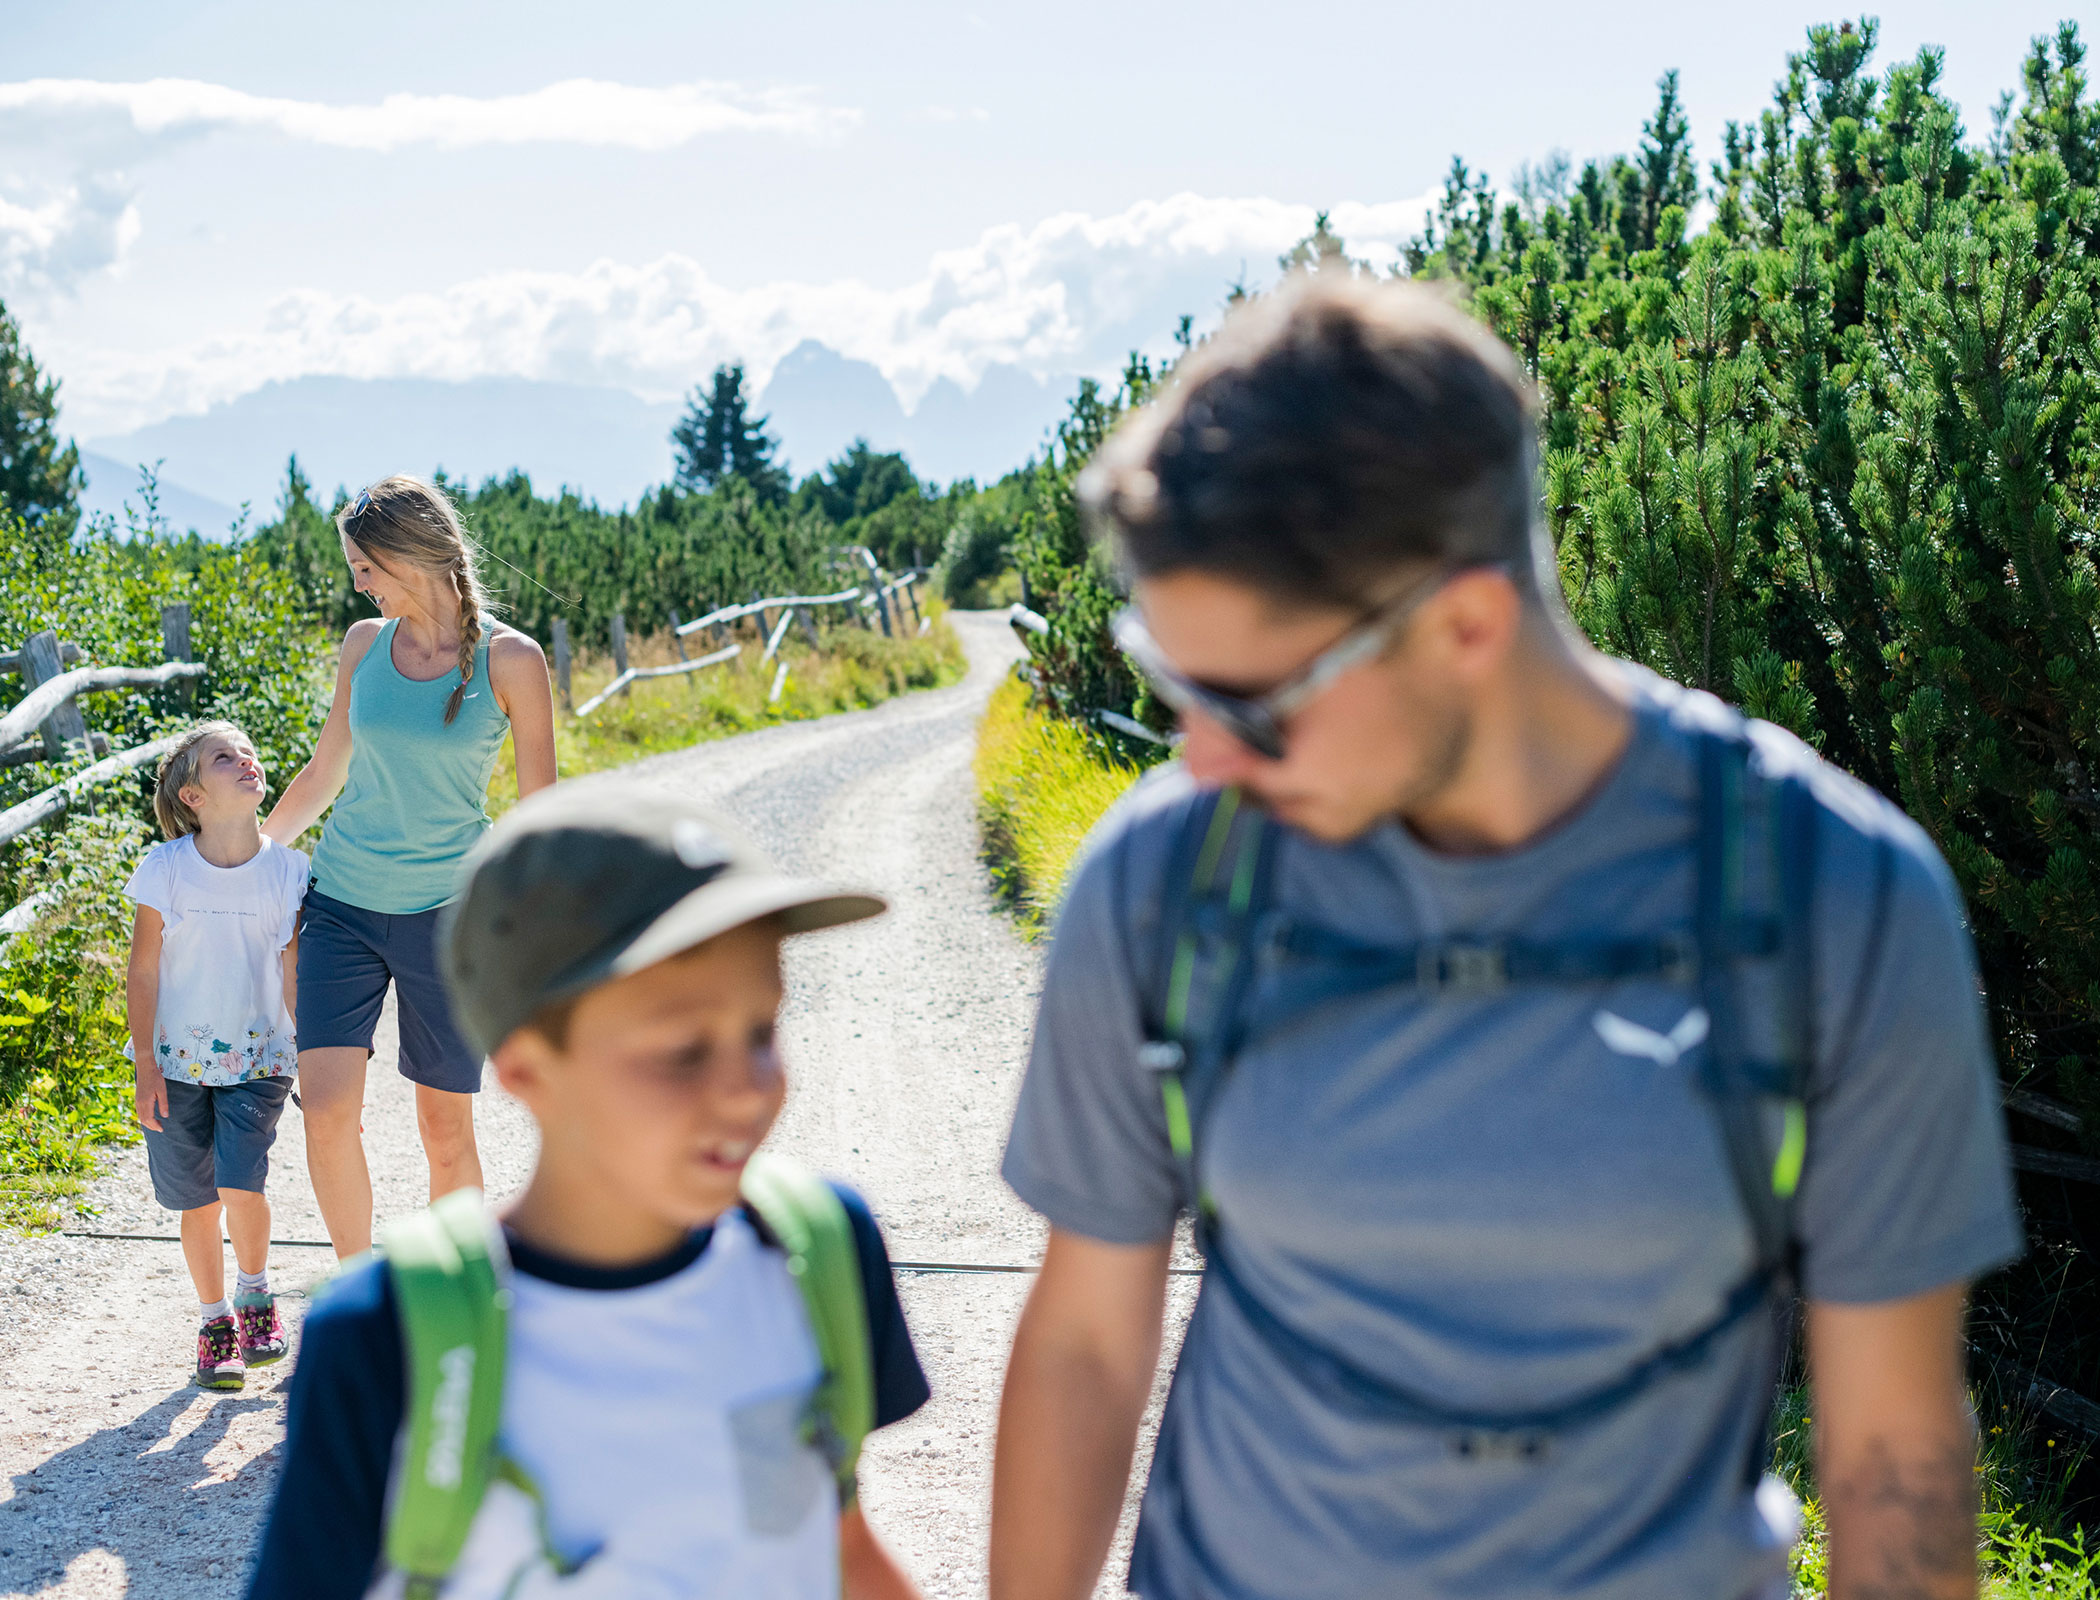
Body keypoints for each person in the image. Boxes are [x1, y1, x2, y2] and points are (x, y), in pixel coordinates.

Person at [991, 276, 2022, 1600]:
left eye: (1249, 706)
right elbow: (1084, 1341)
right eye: (1174, 687)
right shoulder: (1165, 881)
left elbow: (1894, 1453)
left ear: (1465, 626)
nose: (1197, 759)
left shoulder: (1835, 897)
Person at [247, 780, 928, 1599]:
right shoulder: (383, 1335)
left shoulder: (820, 1251)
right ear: (529, 1070)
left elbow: (843, 1551)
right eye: (682, 1050)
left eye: (762, 1030)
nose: (747, 1089)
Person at [263, 474, 557, 1258]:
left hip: (448, 919)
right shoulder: (364, 646)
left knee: (443, 1127)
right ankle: (364, 1296)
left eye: (365, 567)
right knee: (325, 1111)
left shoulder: (511, 660)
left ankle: (456, 1290)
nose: (357, 585)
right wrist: (247, 861)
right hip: (341, 905)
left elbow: (538, 815)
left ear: (411, 554)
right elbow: (325, 773)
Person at [125, 721, 307, 1390]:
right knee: (195, 1200)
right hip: (174, 1064)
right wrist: (145, 1064)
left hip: (261, 1060)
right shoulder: (164, 869)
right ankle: (215, 1322)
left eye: (249, 752)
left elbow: (292, 970)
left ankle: (256, 1293)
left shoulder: (289, 870)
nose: (246, 761)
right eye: (224, 758)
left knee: (240, 1180)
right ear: (194, 796)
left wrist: (311, 1059)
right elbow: (143, 972)